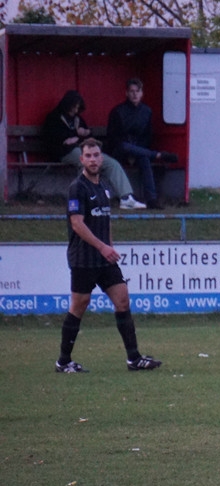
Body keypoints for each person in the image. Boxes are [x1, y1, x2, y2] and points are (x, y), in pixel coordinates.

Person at [55, 138, 162, 374]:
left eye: (96, 155)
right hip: (83, 258)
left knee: (122, 299)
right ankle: (63, 362)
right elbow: (77, 224)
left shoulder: (103, 187)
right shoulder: (77, 188)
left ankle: (134, 358)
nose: (93, 160)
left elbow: (106, 221)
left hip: (104, 259)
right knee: (79, 305)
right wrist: (102, 247)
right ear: (82, 160)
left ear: (101, 159)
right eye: (88, 156)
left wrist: (109, 248)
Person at [41, 90, 146, 210]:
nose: (75, 110)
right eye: (73, 107)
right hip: (64, 152)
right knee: (86, 162)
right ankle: (85, 199)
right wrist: (73, 136)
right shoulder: (54, 118)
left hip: (84, 150)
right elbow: (53, 139)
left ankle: (126, 198)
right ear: (67, 105)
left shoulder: (77, 119)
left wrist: (83, 134)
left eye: (77, 108)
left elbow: (88, 135)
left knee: (112, 164)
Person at [106, 78, 178, 210]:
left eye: (137, 91)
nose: (134, 94)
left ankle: (151, 200)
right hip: (120, 150)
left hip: (139, 150)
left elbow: (147, 136)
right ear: (126, 93)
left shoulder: (146, 112)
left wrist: (136, 152)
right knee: (125, 146)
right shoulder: (117, 112)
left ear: (142, 93)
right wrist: (130, 152)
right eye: (131, 91)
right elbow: (112, 138)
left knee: (144, 159)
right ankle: (157, 155)